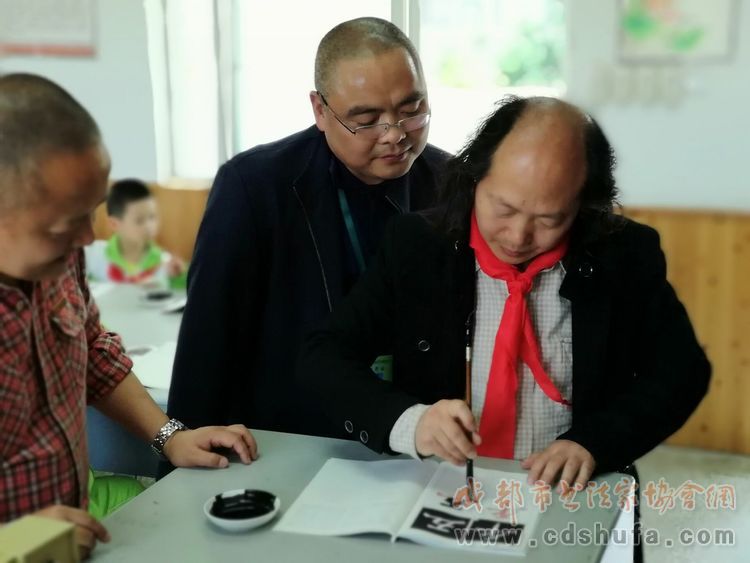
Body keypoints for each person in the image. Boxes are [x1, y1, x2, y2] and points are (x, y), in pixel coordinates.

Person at [297, 95, 710, 490]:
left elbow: (682, 373)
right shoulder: (419, 247)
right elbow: (324, 356)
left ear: (584, 204)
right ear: (475, 178)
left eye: (550, 219)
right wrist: (411, 422)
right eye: (504, 208)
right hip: (441, 488)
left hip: (571, 492)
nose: (518, 237)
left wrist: (595, 441)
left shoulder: (623, 256)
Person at [0, 73, 258, 558]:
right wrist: (12, 542)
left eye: (91, 212)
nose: (85, 238)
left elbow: (93, 352)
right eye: (63, 225)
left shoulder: (58, 258)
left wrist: (169, 436)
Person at [167, 17, 448, 439]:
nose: (394, 135)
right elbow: (208, 342)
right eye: (367, 119)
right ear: (320, 110)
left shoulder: (451, 182)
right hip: (291, 433)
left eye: (412, 111)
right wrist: (179, 462)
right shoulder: (255, 187)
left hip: (415, 434)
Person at [85, 178, 187, 289]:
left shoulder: (164, 263)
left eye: (152, 217)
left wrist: (178, 277)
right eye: (139, 220)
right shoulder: (94, 255)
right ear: (114, 224)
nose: (149, 226)